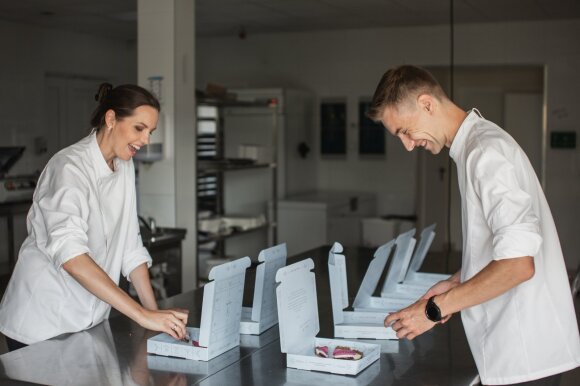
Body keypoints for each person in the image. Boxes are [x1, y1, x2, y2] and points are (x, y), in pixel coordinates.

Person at [368, 65, 580, 385]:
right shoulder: (475, 147)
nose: (408, 145)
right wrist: (458, 281)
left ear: (427, 104)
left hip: (525, 354)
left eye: (404, 131)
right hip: (520, 352)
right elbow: (502, 248)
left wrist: (433, 311)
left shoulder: (485, 152)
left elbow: (519, 265)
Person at [0, 83, 188, 351]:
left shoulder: (123, 165)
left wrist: (155, 316)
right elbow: (72, 257)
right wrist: (141, 315)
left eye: (150, 131)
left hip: (86, 323)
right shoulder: (68, 168)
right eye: (139, 128)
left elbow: (130, 246)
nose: (146, 140)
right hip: (41, 325)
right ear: (111, 119)